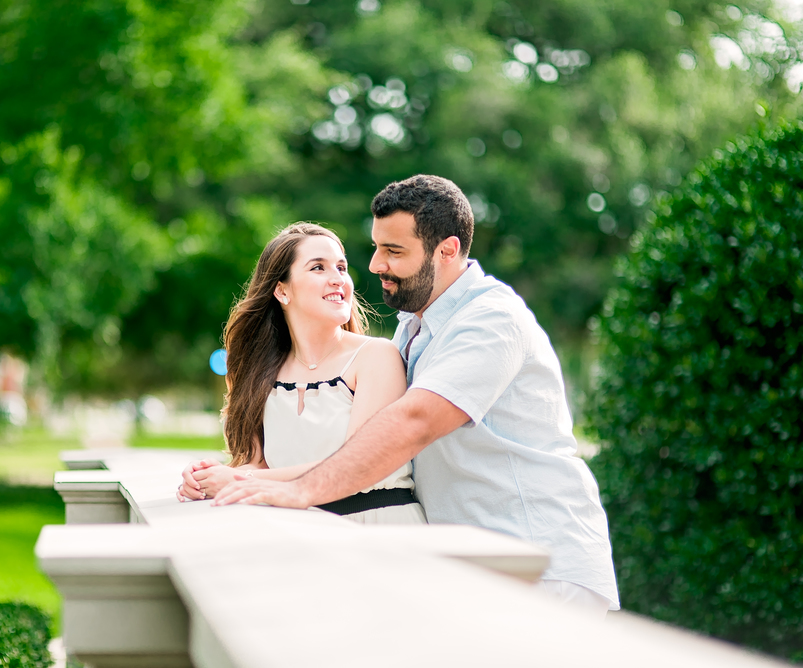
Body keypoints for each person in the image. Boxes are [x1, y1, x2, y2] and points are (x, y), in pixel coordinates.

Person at [213, 175, 619, 616]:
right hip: (468, 562)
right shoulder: (415, 323)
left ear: (446, 251)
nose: (374, 266)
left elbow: (415, 422)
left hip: (538, 562)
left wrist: (299, 490)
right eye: (376, 247)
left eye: (394, 251)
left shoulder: (490, 320)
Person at [177, 222, 426, 524]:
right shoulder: (259, 374)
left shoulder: (376, 357)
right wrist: (207, 478)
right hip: (300, 527)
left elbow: (358, 465)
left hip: (377, 525)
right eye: (318, 268)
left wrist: (237, 481)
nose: (338, 279)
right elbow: (259, 466)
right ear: (281, 290)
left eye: (341, 267)